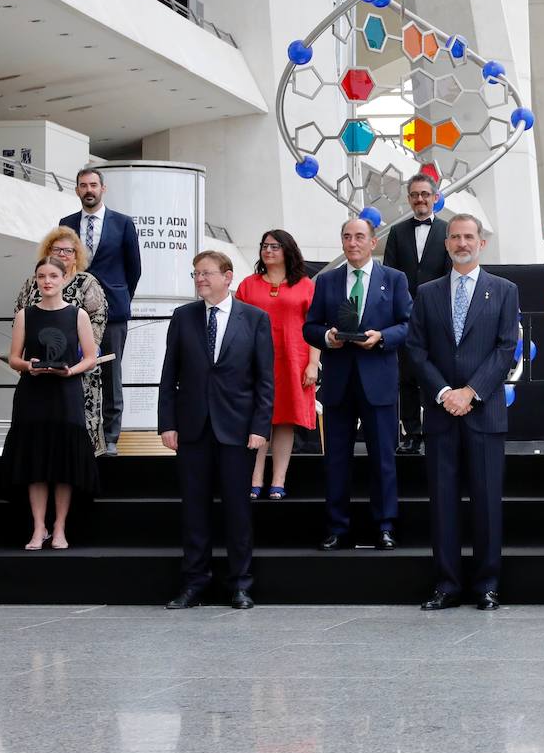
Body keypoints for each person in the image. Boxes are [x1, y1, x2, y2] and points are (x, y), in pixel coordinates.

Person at [406, 214, 518, 611]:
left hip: (483, 414)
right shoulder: (427, 292)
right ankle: (447, 584)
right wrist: (443, 393)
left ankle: (487, 584)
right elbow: (416, 349)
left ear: (481, 243)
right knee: (443, 504)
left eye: (469, 237)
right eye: (454, 237)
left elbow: (506, 349)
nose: (461, 243)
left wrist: (470, 392)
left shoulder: (504, 290)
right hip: (440, 414)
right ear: (446, 243)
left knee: (487, 503)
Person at [158, 251, 273, 609]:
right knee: (194, 510)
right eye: (196, 274)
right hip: (192, 429)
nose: (200, 279)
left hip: (237, 429)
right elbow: (169, 376)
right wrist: (167, 423)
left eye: (206, 273)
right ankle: (194, 584)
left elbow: (265, 381)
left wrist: (260, 427)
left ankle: (240, 584)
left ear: (227, 276)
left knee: (238, 510)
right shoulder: (183, 317)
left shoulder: (254, 319)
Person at [304, 217, 412, 551]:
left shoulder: (393, 279)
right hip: (338, 382)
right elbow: (310, 326)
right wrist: (326, 337)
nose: (353, 243)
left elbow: (408, 324)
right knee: (336, 458)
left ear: (373, 241)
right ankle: (338, 527)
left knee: (383, 457)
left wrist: (383, 337)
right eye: (347, 237)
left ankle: (385, 526)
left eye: (359, 237)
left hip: (377, 380)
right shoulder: (328, 281)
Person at [2, 257, 101, 550]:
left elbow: (91, 357)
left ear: (64, 278)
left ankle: (59, 528)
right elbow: (13, 358)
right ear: (36, 280)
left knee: (64, 463)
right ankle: (38, 527)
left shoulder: (78, 314)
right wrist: (29, 366)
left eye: (53, 276)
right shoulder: (25, 315)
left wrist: (71, 370)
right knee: (35, 461)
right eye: (42, 276)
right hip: (32, 395)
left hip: (66, 394)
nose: (47, 281)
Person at [60, 168, 141, 455]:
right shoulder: (66, 224)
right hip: (72, 310)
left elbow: (134, 269)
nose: (88, 189)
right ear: (77, 190)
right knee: (73, 368)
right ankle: (78, 432)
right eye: (83, 185)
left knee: (110, 374)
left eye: (93, 184)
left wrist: (118, 299)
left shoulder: (123, 223)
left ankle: (110, 438)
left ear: (103, 189)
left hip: (114, 312)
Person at [234, 229, 318, 500]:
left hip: (293, 360)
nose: (268, 251)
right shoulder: (248, 284)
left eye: (274, 246)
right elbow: (236, 325)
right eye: (264, 246)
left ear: (287, 251)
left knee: (284, 420)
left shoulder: (305, 285)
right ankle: (255, 477)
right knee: (257, 418)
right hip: (254, 361)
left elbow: (315, 328)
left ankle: (278, 480)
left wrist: (313, 364)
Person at [13, 227, 108, 458]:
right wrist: (30, 361)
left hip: (75, 369)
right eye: (57, 250)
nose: (63, 254)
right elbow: (19, 313)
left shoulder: (87, 282)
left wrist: (78, 356)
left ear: (77, 255)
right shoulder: (31, 282)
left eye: (69, 250)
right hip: (37, 373)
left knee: (70, 438)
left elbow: (98, 318)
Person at [383, 173, 452, 455]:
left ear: (435, 198)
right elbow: (389, 274)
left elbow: (451, 274)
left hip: (438, 317)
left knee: (437, 375)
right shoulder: (397, 232)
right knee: (407, 378)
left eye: (425, 194)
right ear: (409, 199)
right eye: (415, 195)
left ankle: (437, 433)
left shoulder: (449, 231)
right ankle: (411, 434)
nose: (420, 199)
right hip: (405, 319)